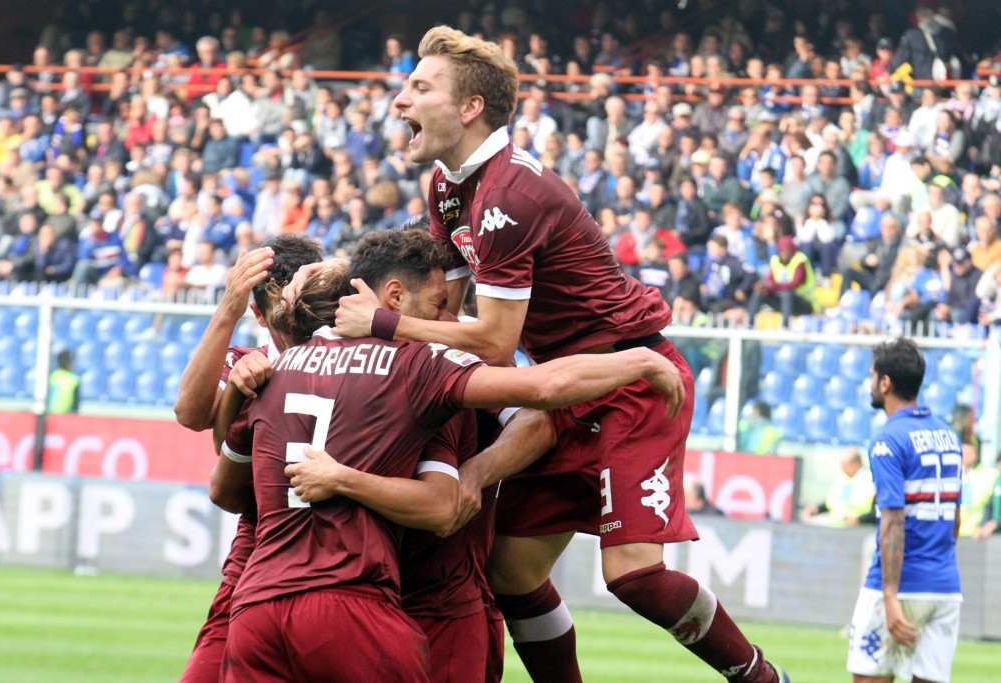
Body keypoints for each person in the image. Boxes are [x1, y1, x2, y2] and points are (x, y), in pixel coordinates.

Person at [334, 26, 788, 683]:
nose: (400, 100)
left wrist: (383, 323)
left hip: (633, 377)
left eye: (419, 87)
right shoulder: (446, 187)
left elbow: (489, 339)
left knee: (631, 573)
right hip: (563, 387)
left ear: (469, 109)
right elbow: (457, 320)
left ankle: (759, 676)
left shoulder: (509, 196)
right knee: (510, 571)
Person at [214, 229, 686, 683]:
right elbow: (542, 391)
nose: (450, 323)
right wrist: (637, 360)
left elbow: (222, 484)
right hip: (355, 603)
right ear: (394, 298)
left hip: (258, 607)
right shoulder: (418, 366)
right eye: (441, 306)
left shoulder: (275, 367)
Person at [173, 234, 322, 683]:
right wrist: (227, 309)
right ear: (257, 314)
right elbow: (190, 412)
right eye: (283, 312)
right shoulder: (249, 362)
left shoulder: (364, 353)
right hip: (261, 550)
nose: (299, 320)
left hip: (349, 553)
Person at [847, 338, 962, 683]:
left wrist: (891, 597)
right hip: (944, 589)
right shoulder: (949, 437)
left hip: (901, 586)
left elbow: (893, 522)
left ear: (886, 383)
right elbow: (955, 518)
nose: (870, 383)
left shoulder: (888, 439)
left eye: (872, 376)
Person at [747, 236, 819, 328]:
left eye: (786, 250)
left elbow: (794, 284)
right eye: (781, 250)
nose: (784, 253)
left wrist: (771, 286)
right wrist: (764, 286)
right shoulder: (775, 260)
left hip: (804, 303)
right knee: (760, 292)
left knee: (787, 293)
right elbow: (770, 280)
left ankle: (785, 326)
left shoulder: (800, 260)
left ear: (792, 251)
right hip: (785, 304)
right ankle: (750, 324)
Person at [802, 447, 876, 527]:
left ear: (855, 464)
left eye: (844, 465)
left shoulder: (871, 479)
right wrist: (817, 508)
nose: (842, 468)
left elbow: (877, 511)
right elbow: (832, 502)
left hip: (859, 529)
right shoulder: (842, 478)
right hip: (836, 526)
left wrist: (860, 520)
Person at [47, 350, 80, 414]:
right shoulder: (74, 380)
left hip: (50, 414)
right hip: (65, 416)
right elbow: (75, 405)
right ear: (68, 363)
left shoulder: (53, 376)